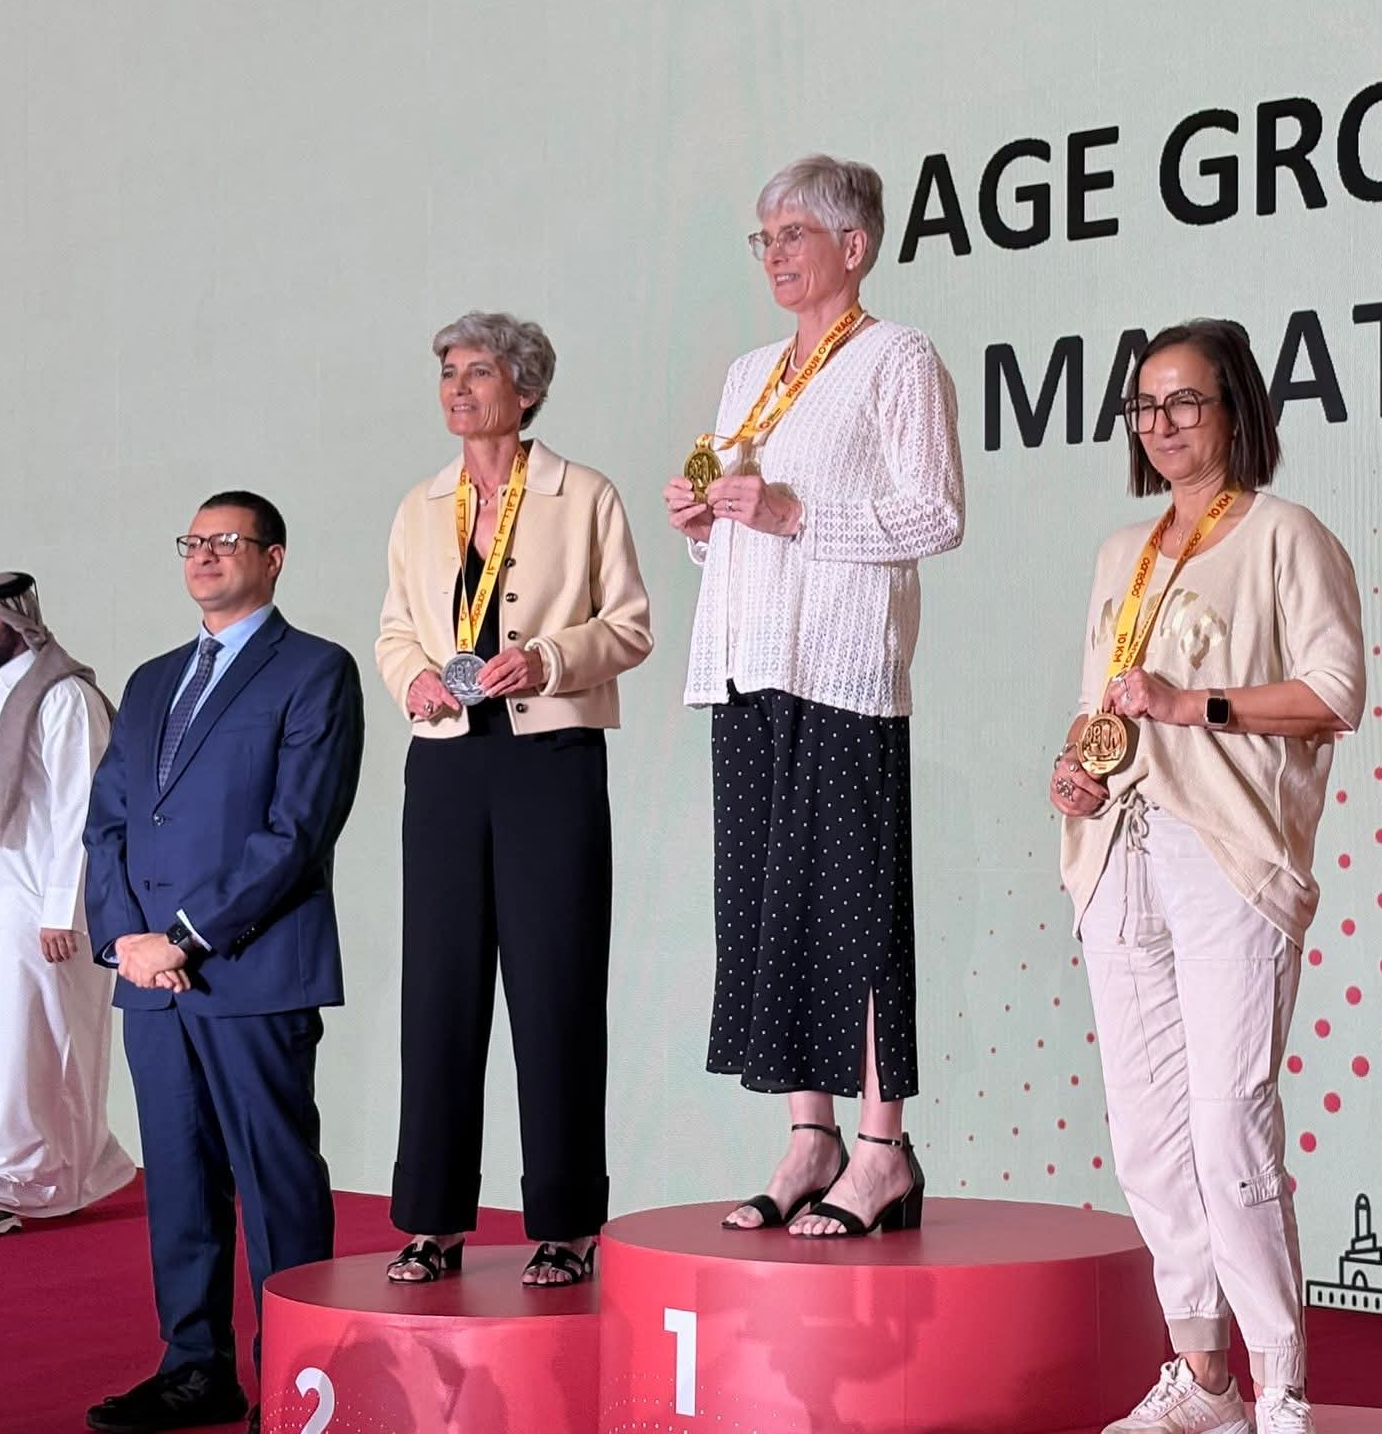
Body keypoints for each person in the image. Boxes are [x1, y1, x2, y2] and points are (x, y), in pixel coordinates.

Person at [1050, 320, 1365, 1434]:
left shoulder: (1286, 536)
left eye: (1184, 402)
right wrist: (1076, 771)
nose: (1162, 425)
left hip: (1227, 853)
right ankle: (1203, 1375)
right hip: (1116, 852)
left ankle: (1279, 1381)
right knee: (1145, 1131)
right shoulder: (1116, 552)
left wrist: (1196, 707)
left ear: (1233, 410)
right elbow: (1103, 705)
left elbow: (1331, 696)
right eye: (1144, 407)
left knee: (1229, 1120)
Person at [662, 154, 964, 1239]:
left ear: (854, 246)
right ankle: (809, 1135)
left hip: (840, 667)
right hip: (745, 665)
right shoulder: (746, 373)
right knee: (763, 910)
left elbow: (933, 515)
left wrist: (791, 516)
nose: (775, 254)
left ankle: (881, 1147)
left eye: (794, 233)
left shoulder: (895, 358)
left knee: (851, 910)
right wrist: (709, 530)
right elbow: (745, 533)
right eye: (763, 237)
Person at [376, 311, 652, 1288]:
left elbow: (629, 626)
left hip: (551, 760)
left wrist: (544, 657)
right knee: (439, 991)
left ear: (525, 388)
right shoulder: (420, 506)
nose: (456, 388)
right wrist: (411, 677)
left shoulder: (586, 497)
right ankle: (432, 1222)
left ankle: (568, 1225)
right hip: (445, 766)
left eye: (477, 371)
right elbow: (395, 630)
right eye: (446, 371)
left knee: (556, 990)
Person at [83, 491, 364, 1434]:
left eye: (226, 541)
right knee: (179, 1179)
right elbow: (110, 820)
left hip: (249, 973)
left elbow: (296, 831)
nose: (204, 555)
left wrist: (187, 937)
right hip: (153, 986)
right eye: (193, 542)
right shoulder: (154, 678)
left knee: (276, 1179)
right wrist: (124, 940)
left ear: (274, 558)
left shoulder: (315, 671)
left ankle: (300, 1377)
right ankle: (195, 1367)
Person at [0, 573, 134, 1241]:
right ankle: (40, 1174)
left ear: (15, 619)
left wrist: (62, 908)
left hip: (41, 904)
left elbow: (82, 810)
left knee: (32, 1042)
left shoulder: (65, 697)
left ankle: (11, 1183)